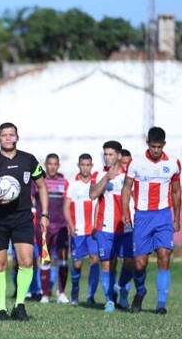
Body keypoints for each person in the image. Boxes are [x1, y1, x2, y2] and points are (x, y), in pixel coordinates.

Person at [0, 122, 49, 321]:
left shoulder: (29, 160)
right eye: (4, 135)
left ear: (17, 137)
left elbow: (42, 187)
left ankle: (20, 305)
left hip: (23, 217)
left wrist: (44, 214)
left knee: (26, 261)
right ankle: (2, 310)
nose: (8, 138)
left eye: (11, 134)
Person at [121, 127, 181, 314]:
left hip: (163, 215)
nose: (156, 150)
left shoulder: (173, 163)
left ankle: (161, 304)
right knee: (140, 264)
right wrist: (125, 212)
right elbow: (126, 187)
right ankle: (140, 290)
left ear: (164, 144)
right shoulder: (136, 163)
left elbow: (176, 191)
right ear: (148, 143)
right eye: (153, 146)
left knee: (164, 256)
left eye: (159, 146)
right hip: (142, 216)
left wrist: (176, 217)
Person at [89, 140, 135, 313]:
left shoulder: (129, 176)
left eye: (110, 154)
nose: (107, 158)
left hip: (126, 227)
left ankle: (121, 287)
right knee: (107, 265)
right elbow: (93, 194)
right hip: (105, 227)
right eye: (105, 154)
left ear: (119, 156)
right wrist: (105, 178)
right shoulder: (99, 174)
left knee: (130, 263)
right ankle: (109, 301)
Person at [63, 153, 100, 306]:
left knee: (95, 260)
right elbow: (66, 206)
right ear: (79, 166)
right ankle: (75, 290)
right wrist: (71, 226)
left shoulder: (97, 182)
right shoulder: (72, 183)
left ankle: (91, 296)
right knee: (77, 264)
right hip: (78, 230)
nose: (85, 167)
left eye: (88, 165)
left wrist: (98, 224)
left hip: (94, 230)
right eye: (82, 165)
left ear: (91, 166)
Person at [33, 153, 69, 304]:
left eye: (55, 164)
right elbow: (33, 201)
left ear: (58, 165)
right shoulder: (39, 183)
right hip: (44, 228)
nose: (52, 167)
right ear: (46, 165)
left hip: (61, 227)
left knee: (63, 258)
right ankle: (45, 294)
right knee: (45, 259)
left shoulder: (65, 182)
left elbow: (68, 204)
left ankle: (61, 293)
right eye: (50, 164)